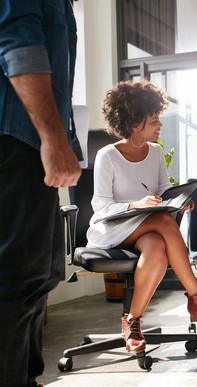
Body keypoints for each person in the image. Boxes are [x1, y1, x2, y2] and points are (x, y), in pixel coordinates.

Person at [86, 80, 197, 354]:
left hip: (146, 230)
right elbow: (101, 207)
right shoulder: (108, 156)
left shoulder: (155, 152)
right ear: (134, 122)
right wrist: (135, 204)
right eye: (154, 120)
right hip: (111, 228)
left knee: (156, 248)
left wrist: (180, 201)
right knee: (165, 223)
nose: (160, 125)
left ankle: (132, 322)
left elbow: (163, 191)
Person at [0, 2, 82, 386]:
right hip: (17, 140)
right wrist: (52, 139)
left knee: (40, 276)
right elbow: (18, 43)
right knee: (16, 281)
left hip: (29, 144)